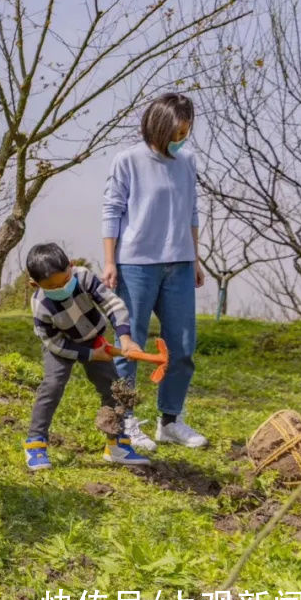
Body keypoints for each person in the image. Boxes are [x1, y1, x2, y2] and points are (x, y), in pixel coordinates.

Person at [101, 92, 207, 450]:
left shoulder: (188, 161)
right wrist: (110, 260)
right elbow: (112, 210)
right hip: (136, 265)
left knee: (182, 346)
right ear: (157, 126)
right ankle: (125, 418)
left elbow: (191, 211)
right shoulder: (128, 160)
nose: (180, 140)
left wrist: (196, 256)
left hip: (179, 264)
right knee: (130, 344)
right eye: (176, 133)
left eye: (185, 134)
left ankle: (171, 420)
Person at [24, 243, 149, 471]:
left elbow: (113, 304)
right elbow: (53, 342)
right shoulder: (40, 305)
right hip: (61, 345)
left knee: (113, 388)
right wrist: (90, 355)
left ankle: (116, 444)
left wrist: (126, 339)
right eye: (53, 287)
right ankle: (35, 444)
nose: (62, 287)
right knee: (52, 386)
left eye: (64, 280)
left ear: (71, 266)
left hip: (93, 337)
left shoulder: (83, 278)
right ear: (35, 284)